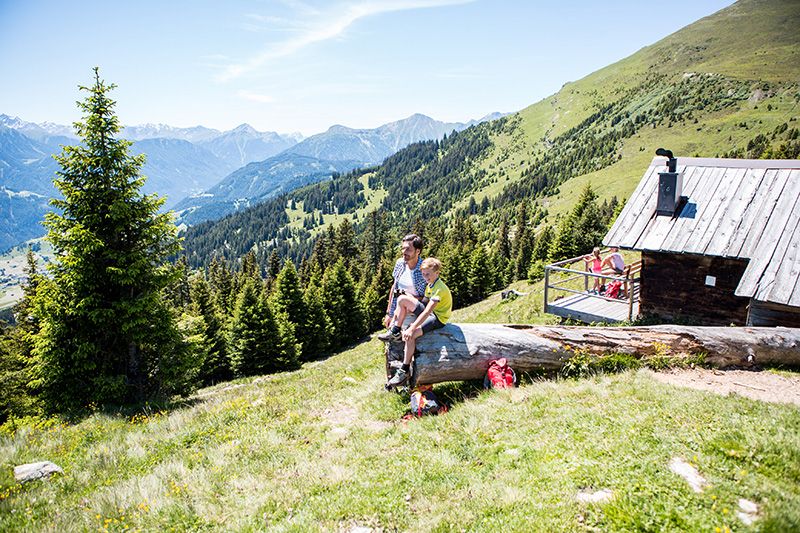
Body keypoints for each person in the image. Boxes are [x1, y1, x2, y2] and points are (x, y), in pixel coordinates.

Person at [385, 257, 452, 388]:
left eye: (428, 274)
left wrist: (412, 327)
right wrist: (410, 304)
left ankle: (404, 369)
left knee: (411, 334)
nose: (425, 277)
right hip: (430, 313)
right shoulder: (430, 285)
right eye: (423, 274)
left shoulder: (439, 289)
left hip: (437, 318)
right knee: (402, 299)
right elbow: (423, 303)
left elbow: (427, 312)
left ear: (437, 273)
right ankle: (395, 330)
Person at [382, 234, 427, 331]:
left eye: (408, 250)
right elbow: (394, 287)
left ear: (418, 251)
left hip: (414, 313)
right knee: (392, 340)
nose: (404, 252)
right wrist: (389, 313)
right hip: (398, 311)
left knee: (405, 338)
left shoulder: (424, 270)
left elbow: (427, 298)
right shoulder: (399, 263)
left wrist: (407, 300)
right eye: (403, 249)